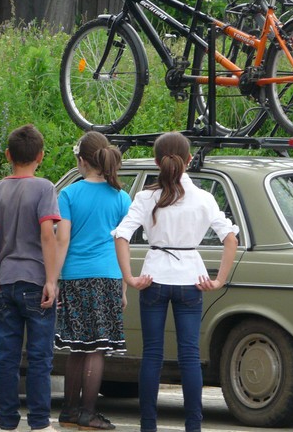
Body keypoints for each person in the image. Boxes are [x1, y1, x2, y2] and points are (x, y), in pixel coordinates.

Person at [112, 132, 238, 432]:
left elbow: (121, 235)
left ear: (156, 162)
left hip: (153, 277)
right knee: (190, 356)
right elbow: (230, 237)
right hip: (191, 279)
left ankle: (148, 426)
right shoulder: (204, 198)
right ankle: (193, 426)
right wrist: (219, 279)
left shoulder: (146, 197)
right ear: (190, 160)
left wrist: (129, 277)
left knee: (152, 354)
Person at [0, 124, 60, 432]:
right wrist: (51, 280)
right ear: (40, 156)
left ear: (7, 156)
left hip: (4, 282)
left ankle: (7, 422)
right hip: (35, 282)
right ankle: (39, 423)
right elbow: (47, 235)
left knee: (6, 358)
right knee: (40, 358)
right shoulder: (44, 188)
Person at [54, 132, 131, 430]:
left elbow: (62, 241)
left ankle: (69, 410)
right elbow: (122, 244)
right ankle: (89, 412)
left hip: (74, 276)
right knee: (97, 348)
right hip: (108, 276)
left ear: (82, 161)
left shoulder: (69, 195)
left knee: (77, 346)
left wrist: (55, 279)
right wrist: (124, 286)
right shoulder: (122, 198)